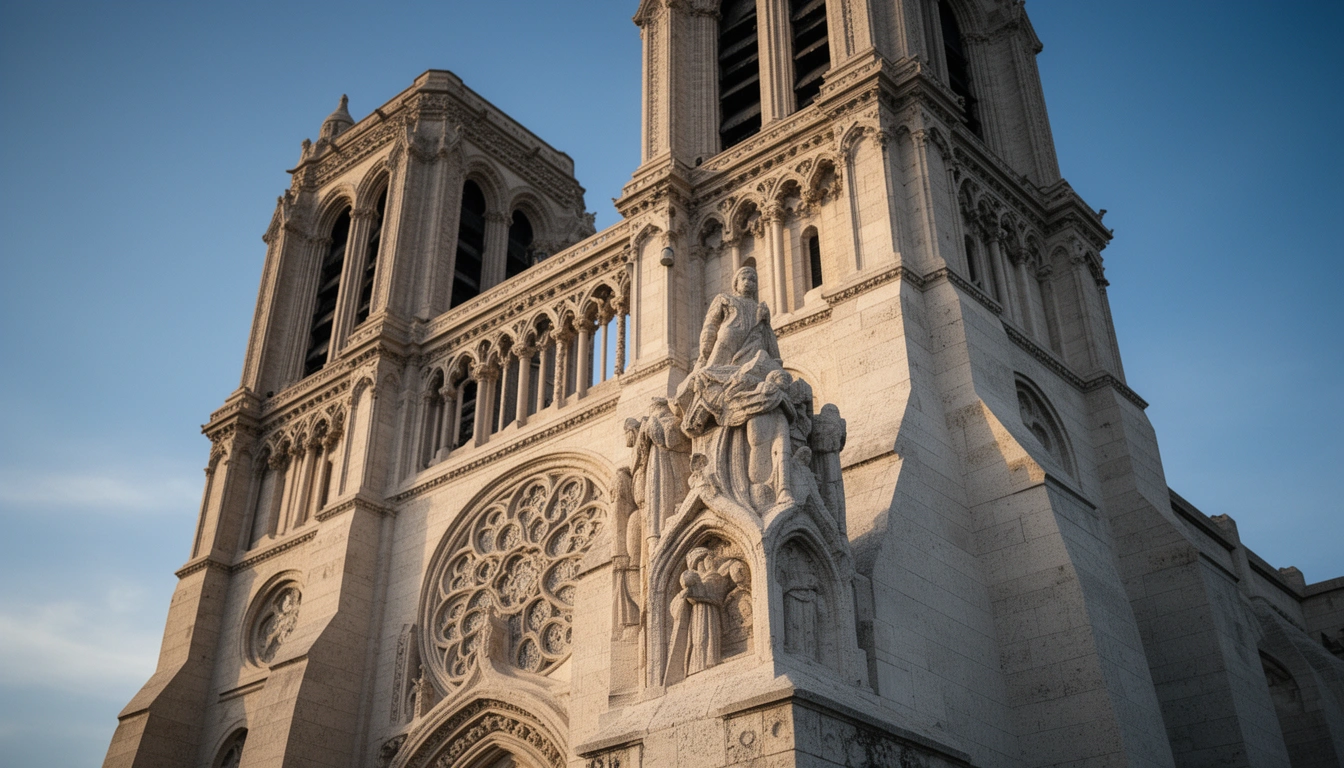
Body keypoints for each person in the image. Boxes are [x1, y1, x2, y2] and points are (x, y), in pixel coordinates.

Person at [674, 267, 797, 512]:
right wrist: (704, 355)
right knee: (712, 375)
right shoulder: (725, 300)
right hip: (727, 343)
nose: (749, 281)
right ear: (736, 283)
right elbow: (710, 327)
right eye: (744, 278)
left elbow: (769, 337)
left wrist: (776, 359)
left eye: (753, 278)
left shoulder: (761, 308)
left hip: (754, 347)